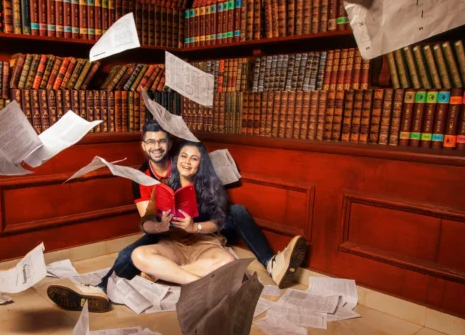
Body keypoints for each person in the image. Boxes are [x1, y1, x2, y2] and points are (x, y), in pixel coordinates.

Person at [46, 120, 307, 311]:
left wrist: (197, 225)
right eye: (151, 142)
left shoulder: (189, 164)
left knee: (236, 214)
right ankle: (102, 289)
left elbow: (215, 209)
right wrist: (161, 225)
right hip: (167, 232)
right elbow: (146, 224)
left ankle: (271, 263)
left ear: (169, 145)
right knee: (131, 254)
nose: (156, 146)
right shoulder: (142, 176)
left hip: (202, 229)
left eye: (161, 141)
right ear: (143, 145)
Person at [129, 141, 236, 284]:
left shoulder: (212, 187)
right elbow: (146, 223)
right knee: (138, 255)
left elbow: (218, 222)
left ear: (201, 163)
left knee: (228, 261)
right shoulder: (164, 186)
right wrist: (160, 226)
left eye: (194, 158)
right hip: (173, 244)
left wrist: (194, 227)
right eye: (183, 156)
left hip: (204, 243)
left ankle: (166, 273)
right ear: (177, 159)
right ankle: (193, 281)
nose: (187, 162)